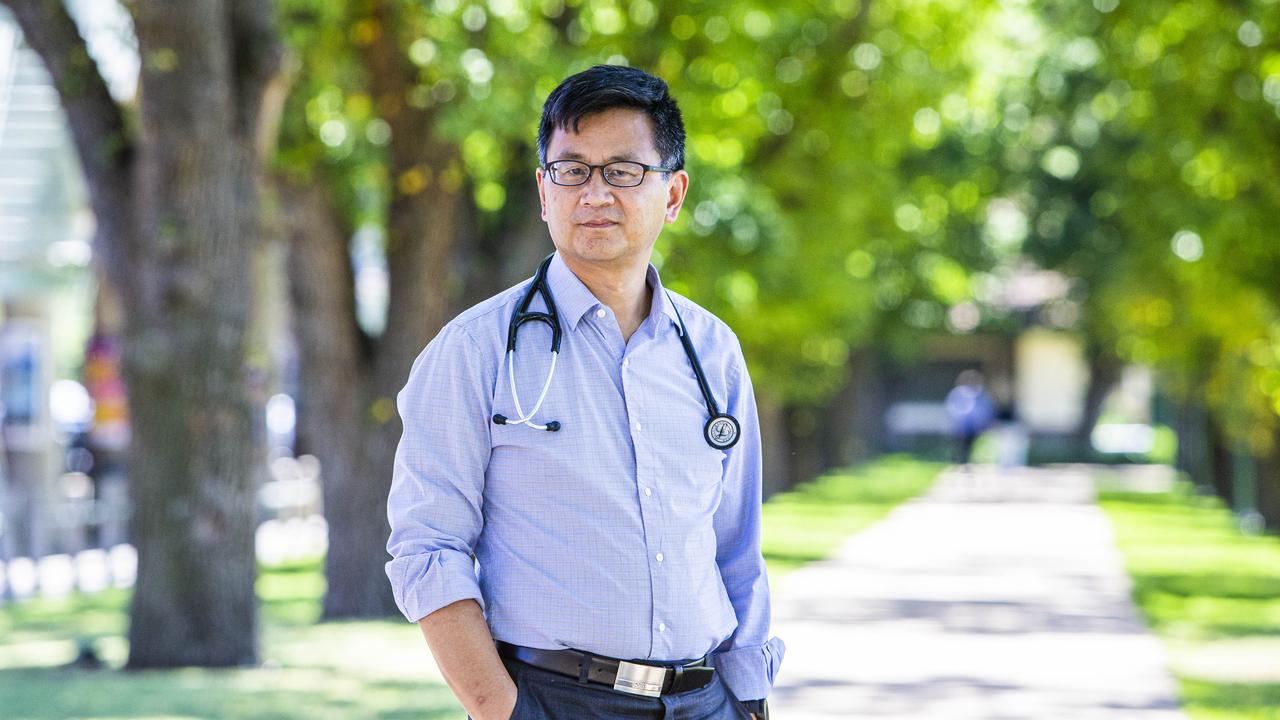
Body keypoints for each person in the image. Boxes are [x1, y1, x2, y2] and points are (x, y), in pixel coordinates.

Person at [385, 65, 783, 720]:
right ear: (544, 191)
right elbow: (428, 549)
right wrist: (500, 709)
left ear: (674, 193)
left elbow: (736, 545)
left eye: (623, 171)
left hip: (708, 701)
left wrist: (750, 701)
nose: (594, 193)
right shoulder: (475, 351)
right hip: (552, 702)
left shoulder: (714, 354)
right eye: (571, 171)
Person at [944, 369, 996, 466]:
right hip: (960, 426)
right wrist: (959, 422)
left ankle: (967, 462)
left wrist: (985, 422)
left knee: (971, 446)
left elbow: (985, 409)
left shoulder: (980, 394)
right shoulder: (958, 393)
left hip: (975, 426)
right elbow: (953, 409)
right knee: (959, 446)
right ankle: (958, 463)